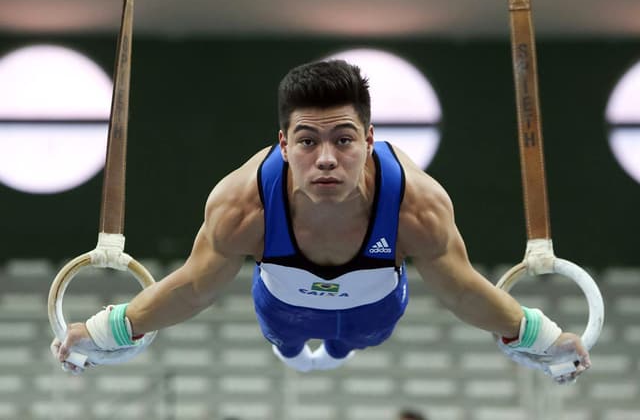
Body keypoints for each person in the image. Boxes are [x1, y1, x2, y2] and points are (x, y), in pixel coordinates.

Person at [51, 59, 590, 383]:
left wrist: (540, 337)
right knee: (287, 340)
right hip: (282, 308)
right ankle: (290, 349)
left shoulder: (415, 206)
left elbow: (464, 292)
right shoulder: (244, 206)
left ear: (370, 139)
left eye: (344, 139)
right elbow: (193, 288)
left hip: (374, 312)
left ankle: (334, 350)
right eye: (308, 141)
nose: (327, 158)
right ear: (284, 144)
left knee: (353, 339)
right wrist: (105, 329)